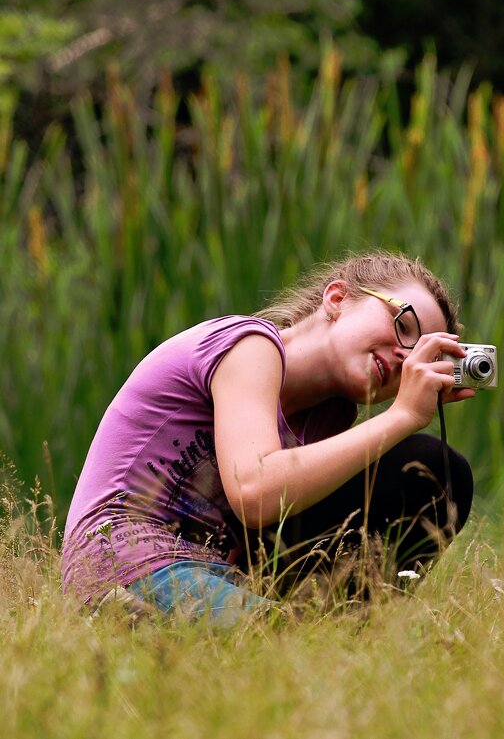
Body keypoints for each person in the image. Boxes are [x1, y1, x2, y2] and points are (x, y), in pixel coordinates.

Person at [61, 252, 475, 624]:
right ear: (336, 299)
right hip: (127, 559)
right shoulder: (250, 347)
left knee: (436, 471)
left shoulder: (329, 417)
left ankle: (335, 638)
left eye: (420, 357)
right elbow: (256, 491)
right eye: (403, 324)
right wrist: (402, 416)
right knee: (281, 645)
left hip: (218, 571)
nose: (406, 358)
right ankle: (123, 621)